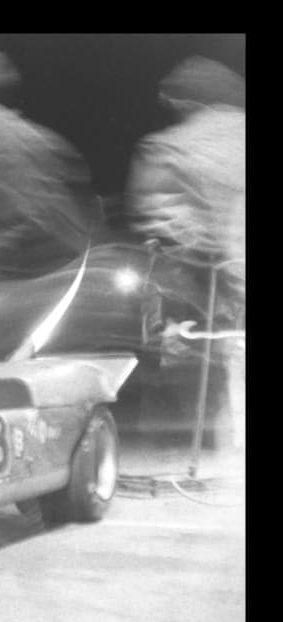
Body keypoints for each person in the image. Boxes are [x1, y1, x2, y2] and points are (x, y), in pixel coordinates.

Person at [127, 56, 245, 454]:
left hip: (202, 275)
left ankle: (175, 442)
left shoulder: (168, 147)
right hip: (232, 269)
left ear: (186, 101)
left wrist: (194, 245)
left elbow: (157, 219)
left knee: (180, 347)